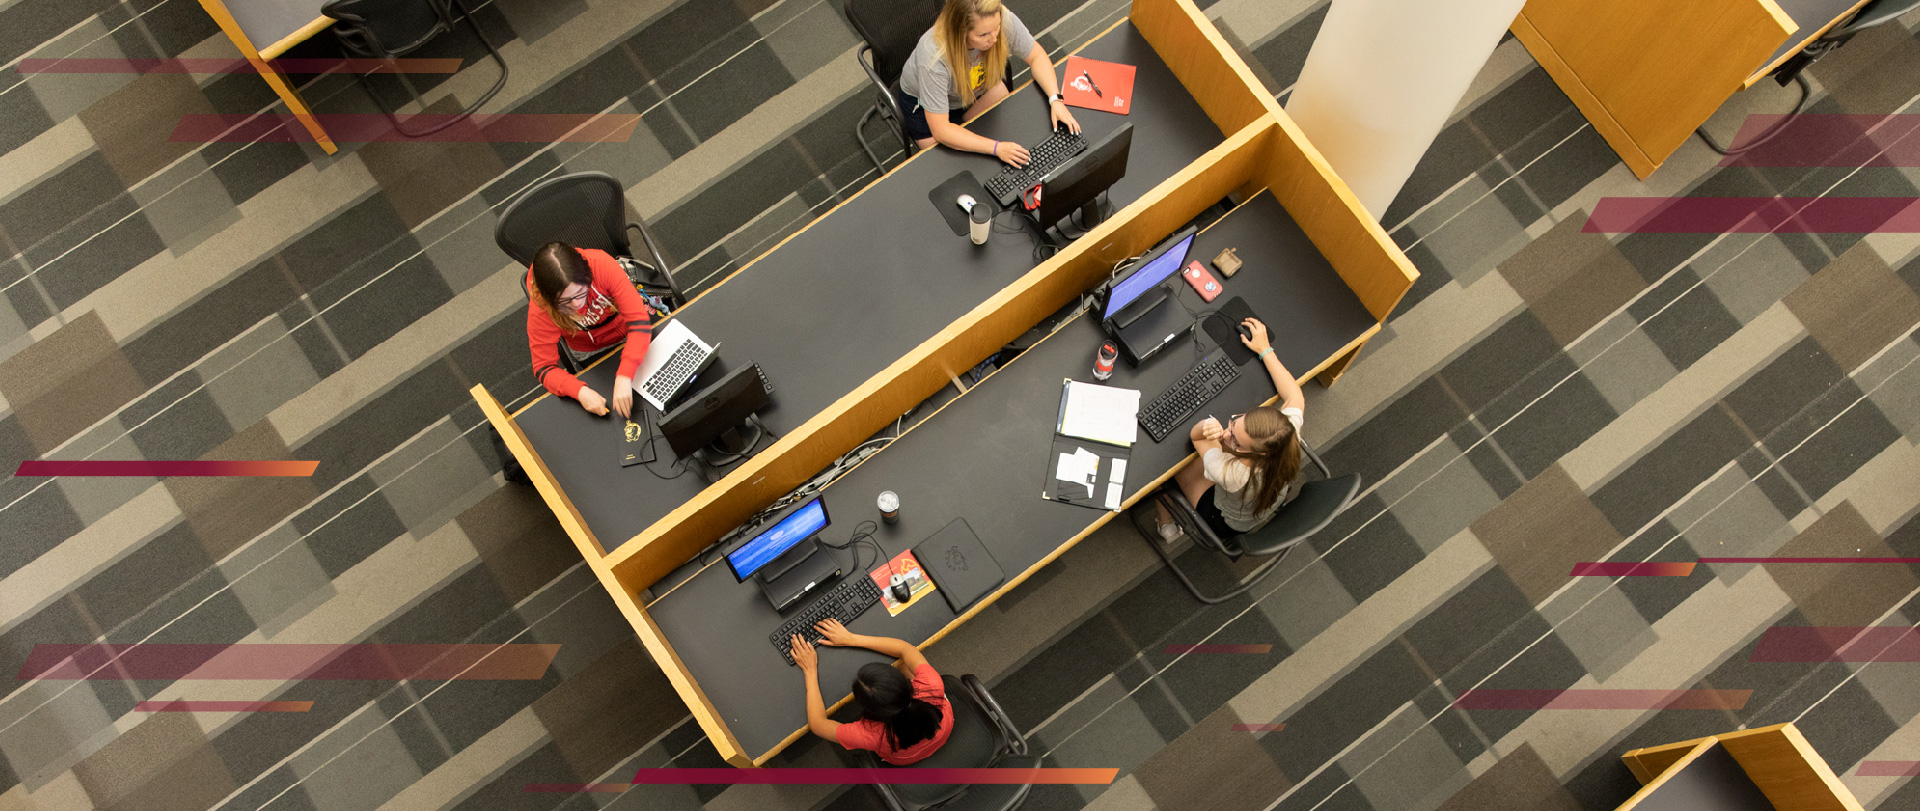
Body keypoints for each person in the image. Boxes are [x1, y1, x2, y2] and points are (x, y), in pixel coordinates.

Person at [1159, 317, 1306, 540]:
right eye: (1235, 423)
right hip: (1257, 499)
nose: (1226, 434)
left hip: (1223, 519)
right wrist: (1265, 350)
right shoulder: (1287, 433)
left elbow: (1197, 438)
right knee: (1214, 451)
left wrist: (1207, 427)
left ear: (1259, 453)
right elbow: (1294, 394)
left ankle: (1165, 525)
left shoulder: (1233, 475)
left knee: (1168, 465)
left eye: (1235, 440)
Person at [898, 0, 1081, 167]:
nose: (994, 38)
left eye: (997, 28)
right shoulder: (933, 58)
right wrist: (996, 148)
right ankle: (966, 129)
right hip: (926, 110)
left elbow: (1037, 57)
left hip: (973, 88)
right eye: (983, 34)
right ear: (960, 31)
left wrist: (1055, 99)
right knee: (943, 158)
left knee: (1003, 115)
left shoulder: (997, 18)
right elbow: (942, 130)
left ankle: (966, 126)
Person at [791, 619, 953, 765]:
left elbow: (818, 725)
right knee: (905, 664)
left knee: (905, 665)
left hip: (904, 759)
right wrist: (851, 638)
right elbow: (906, 649)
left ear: (866, 707)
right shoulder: (931, 684)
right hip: (944, 729)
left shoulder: (868, 735)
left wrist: (810, 670)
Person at [524, 242, 652, 418]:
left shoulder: (600, 264)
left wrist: (624, 375)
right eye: (564, 301)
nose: (576, 304)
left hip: (629, 329)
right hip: (590, 350)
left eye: (579, 293)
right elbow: (543, 368)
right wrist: (579, 392)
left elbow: (639, 322)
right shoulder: (541, 306)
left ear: (587, 276)